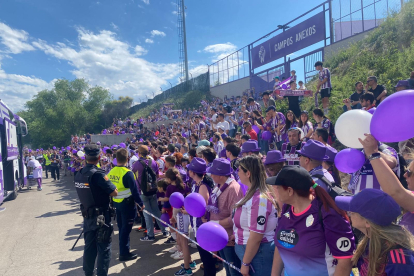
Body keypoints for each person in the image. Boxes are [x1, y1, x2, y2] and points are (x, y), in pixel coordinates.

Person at [268, 166, 355, 276]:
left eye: (278, 187)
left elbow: (345, 261)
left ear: (290, 190)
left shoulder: (328, 216)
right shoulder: (287, 208)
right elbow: (281, 245)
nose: (275, 189)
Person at [335, 189, 414, 275]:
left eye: (351, 212)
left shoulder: (398, 259)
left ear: (368, 222)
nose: (348, 214)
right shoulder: (370, 240)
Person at [74, 144, 118, 276]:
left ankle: (88, 273)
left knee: (89, 247)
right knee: (104, 248)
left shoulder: (79, 173)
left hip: (88, 216)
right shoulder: (98, 174)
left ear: (86, 158)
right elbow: (114, 192)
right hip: (101, 217)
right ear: (99, 157)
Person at [233, 155, 278, 276]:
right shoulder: (253, 192)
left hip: (258, 253)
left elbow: (256, 237)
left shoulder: (259, 199)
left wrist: (245, 264)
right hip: (254, 252)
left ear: (248, 173)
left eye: (239, 170)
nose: (237, 173)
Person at [204, 159, 244, 276]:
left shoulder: (233, 189)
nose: (210, 175)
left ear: (221, 175)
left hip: (229, 238)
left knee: (233, 270)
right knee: (227, 268)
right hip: (220, 236)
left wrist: (215, 223)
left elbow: (235, 217)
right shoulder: (219, 186)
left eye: (213, 173)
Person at [107, 148, 143, 261]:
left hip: (117, 204)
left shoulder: (111, 172)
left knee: (122, 227)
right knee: (125, 230)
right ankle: (124, 253)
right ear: (127, 159)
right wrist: (141, 204)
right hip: (127, 205)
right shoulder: (128, 173)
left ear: (116, 159)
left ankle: (124, 250)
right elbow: (135, 191)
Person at [185, 158, 216, 276]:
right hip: (197, 225)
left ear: (193, 172)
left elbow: (203, 208)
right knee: (204, 257)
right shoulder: (195, 184)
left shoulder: (202, 186)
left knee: (207, 259)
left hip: (202, 227)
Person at [132, 145, 167, 241]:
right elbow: (157, 175)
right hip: (153, 189)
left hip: (142, 191)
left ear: (139, 153)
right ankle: (164, 231)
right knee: (156, 211)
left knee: (147, 214)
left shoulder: (136, 164)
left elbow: (133, 174)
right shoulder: (154, 162)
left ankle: (150, 235)